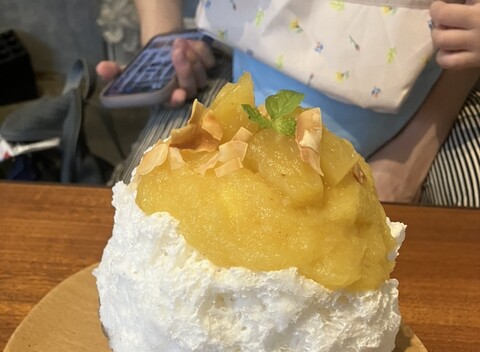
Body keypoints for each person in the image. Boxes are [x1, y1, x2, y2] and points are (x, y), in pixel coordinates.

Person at [97, 0, 480, 206]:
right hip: (241, 75)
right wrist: (166, 44)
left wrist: (410, 156)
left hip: (431, 98)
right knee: (142, 200)